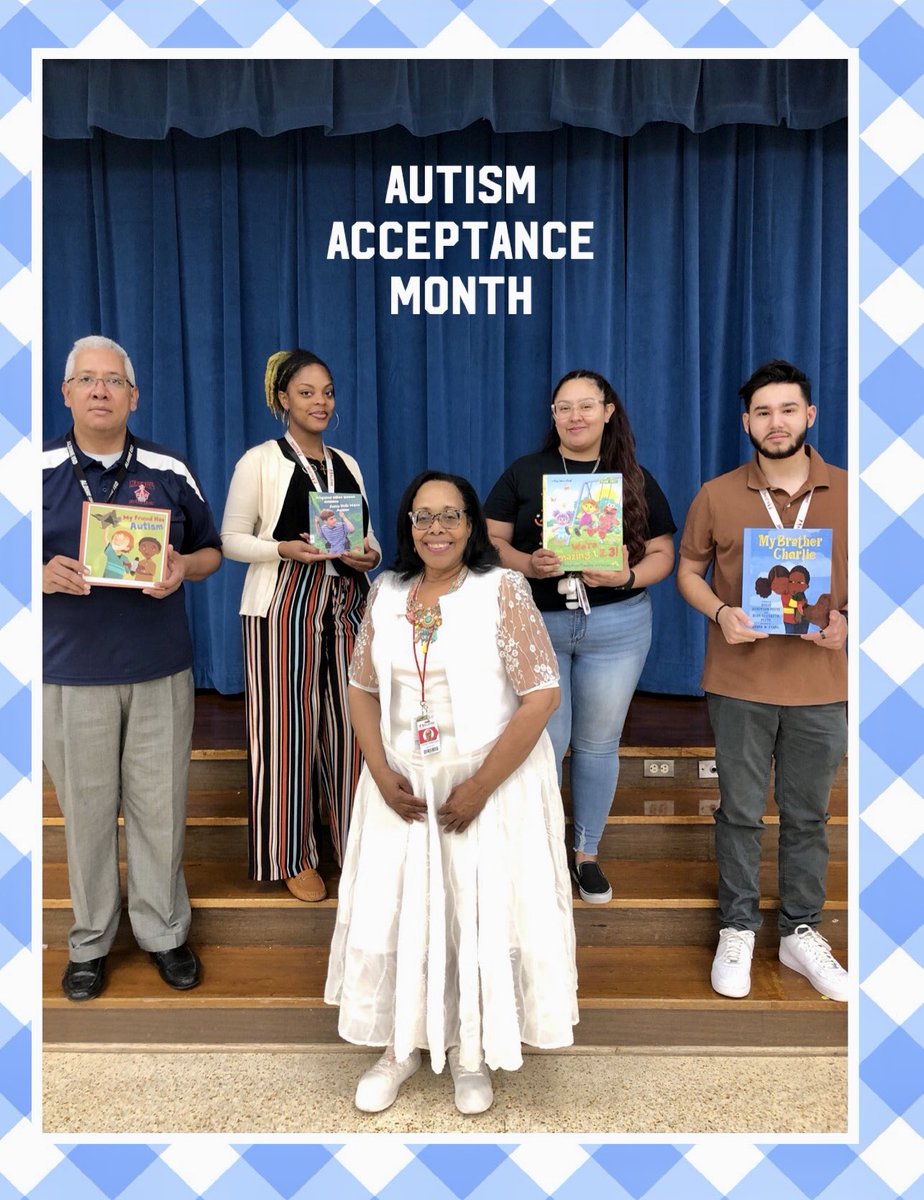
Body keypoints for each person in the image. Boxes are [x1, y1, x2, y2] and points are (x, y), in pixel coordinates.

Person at [325, 471, 578, 1115]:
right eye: (422, 517)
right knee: (404, 912)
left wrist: (479, 788)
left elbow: (542, 695)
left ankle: (472, 1050)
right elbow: (360, 687)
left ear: (470, 524)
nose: (436, 528)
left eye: (450, 515)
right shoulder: (386, 591)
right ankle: (400, 1047)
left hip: (484, 785)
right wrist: (380, 773)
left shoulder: (503, 590)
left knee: (475, 914)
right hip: (403, 787)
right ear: (408, 527)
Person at [43, 335, 222, 1001]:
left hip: (158, 672)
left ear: (133, 395)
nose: (99, 390)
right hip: (69, 674)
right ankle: (90, 941)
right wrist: (36, 573)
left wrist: (181, 569)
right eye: (86, 380)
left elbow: (210, 552)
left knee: (159, 808)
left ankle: (165, 932)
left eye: (112, 381)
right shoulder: (29, 472)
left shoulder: (169, 469)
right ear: (66, 393)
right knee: (87, 815)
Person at [676, 359, 849, 1002]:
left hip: (822, 684)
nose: (775, 423)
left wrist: (849, 622)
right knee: (741, 813)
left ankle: (802, 930)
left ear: (809, 416)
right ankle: (738, 926)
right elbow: (689, 570)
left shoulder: (853, 492)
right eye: (762, 412)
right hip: (739, 681)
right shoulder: (716, 493)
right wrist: (721, 612)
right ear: (745, 421)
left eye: (787, 410)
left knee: (808, 816)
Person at [484, 370, 676, 903]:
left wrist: (627, 576)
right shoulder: (527, 472)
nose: (575, 416)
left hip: (617, 626)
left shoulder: (633, 477)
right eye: (564, 407)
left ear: (608, 411)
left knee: (597, 744)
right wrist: (528, 562)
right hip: (539, 622)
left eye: (586, 406)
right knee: (547, 741)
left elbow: (664, 554)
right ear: (553, 415)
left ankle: (585, 853)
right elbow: (489, 539)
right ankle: (539, 849)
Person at [221, 349, 381, 902]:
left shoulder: (348, 463)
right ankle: (291, 854)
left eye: (328, 391)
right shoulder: (260, 461)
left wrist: (367, 556)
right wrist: (280, 548)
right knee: (285, 730)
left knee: (353, 728)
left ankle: (355, 843)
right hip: (283, 606)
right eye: (307, 391)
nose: (320, 401)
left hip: (346, 603)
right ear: (282, 399)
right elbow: (230, 539)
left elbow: (368, 539)